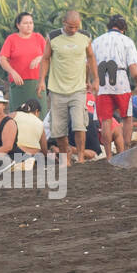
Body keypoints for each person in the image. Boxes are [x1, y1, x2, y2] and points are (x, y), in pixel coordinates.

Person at [39, 10, 98, 164]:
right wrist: (41, 81)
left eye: (76, 27)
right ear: (64, 23)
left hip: (78, 89)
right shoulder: (53, 37)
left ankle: (80, 157)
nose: (73, 30)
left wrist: (95, 79)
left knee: (79, 124)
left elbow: (91, 57)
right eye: (70, 27)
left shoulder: (85, 36)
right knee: (58, 128)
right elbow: (45, 59)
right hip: (57, 90)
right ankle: (66, 159)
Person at [92, 14, 137, 155]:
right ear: (123, 28)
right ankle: (125, 151)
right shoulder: (127, 41)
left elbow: (89, 65)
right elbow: (133, 69)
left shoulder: (97, 41)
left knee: (106, 120)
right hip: (120, 80)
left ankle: (108, 155)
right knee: (127, 117)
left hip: (102, 82)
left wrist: (91, 81)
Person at [0, 12, 48, 114]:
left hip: (37, 83)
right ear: (18, 25)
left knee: (39, 115)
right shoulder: (11, 39)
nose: (29, 25)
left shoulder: (38, 38)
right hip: (18, 84)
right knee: (18, 115)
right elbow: (2, 59)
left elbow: (49, 55)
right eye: (25, 23)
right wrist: (13, 72)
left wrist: (40, 58)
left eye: (31, 22)